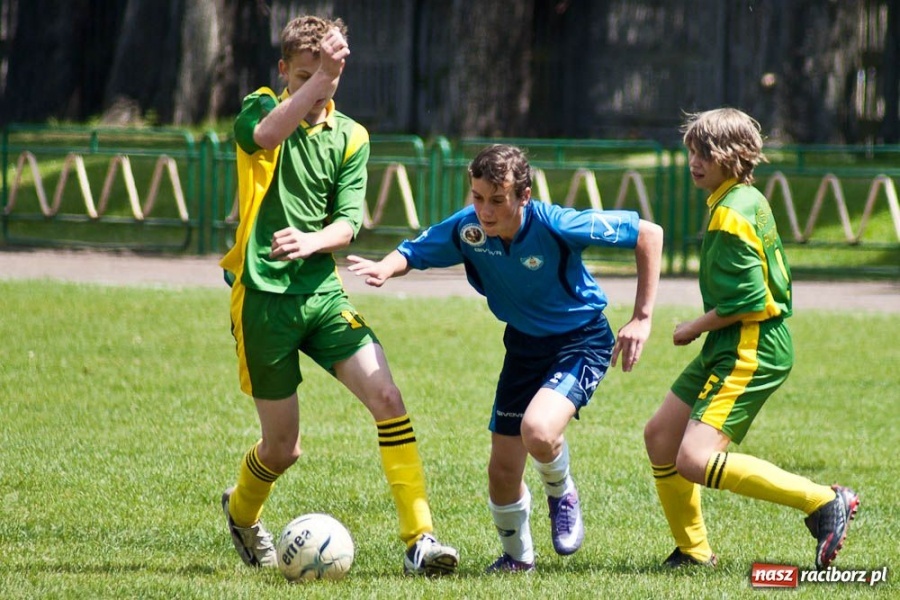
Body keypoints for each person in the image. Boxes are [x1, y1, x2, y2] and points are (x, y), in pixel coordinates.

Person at [347, 144, 663, 572]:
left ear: (524, 196)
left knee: (539, 431)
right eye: (478, 197)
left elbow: (649, 234)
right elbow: (415, 250)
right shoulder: (469, 230)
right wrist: (386, 267)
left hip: (581, 341)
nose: (485, 210)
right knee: (502, 472)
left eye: (497, 200)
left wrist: (641, 317)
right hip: (523, 346)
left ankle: (561, 492)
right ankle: (518, 559)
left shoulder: (556, 224)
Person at [218, 15, 458, 577]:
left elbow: (349, 224)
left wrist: (311, 242)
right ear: (284, 71)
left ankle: (420, 540)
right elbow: (265, 137)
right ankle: (241, 510)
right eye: (304, 76)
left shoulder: (352, 136)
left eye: (327, 76)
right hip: (263, 300)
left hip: (323, 295)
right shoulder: (260, 107)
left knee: (388, 398)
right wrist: (319, 79)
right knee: (283, 449)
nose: (318, 87)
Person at [643, 107, 859, 570]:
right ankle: (693, 551)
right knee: (661, 436)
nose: (694, 162)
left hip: (750, 346)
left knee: (694, 459)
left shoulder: (729, 214)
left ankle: (823, 501)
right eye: (692, 152)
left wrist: (691, 327)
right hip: (733, 342)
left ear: (733, 156)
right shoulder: (744, 197)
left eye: (705, 154)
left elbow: (750, 301)